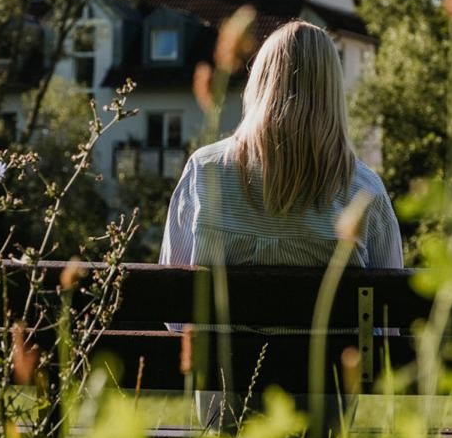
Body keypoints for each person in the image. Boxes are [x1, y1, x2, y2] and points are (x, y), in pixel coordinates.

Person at [160, 20, 403, 269]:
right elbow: (392, 300)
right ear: (332, 93)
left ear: (260, 83)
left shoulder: (205, 171)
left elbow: (170, 290)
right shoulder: (363, 191)